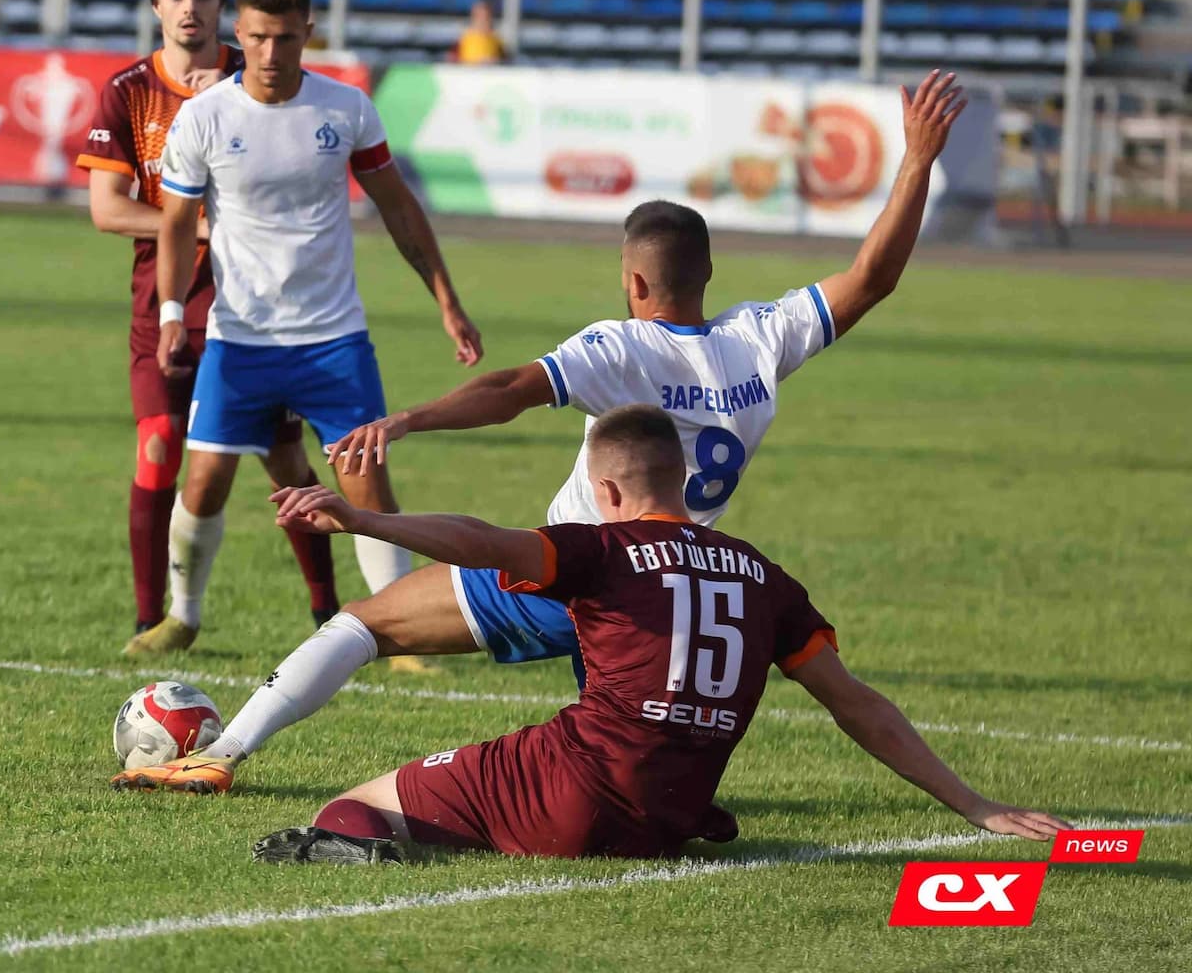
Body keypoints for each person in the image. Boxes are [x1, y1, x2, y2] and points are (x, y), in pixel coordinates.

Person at [114, 69, 967, 792]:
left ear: (633, 279)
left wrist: (408, 419)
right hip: (668, 594)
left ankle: (222, 752)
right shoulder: (762, 338)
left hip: (578, 570)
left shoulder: (620, 347)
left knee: (363, 625)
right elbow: (873, 275)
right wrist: (917, 159)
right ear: (708, 271)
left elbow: (512, 387)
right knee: (621, 741)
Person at [246, 406, 1072, 863]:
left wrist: (360, 517)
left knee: (351, 806)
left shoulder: (599, 549)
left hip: (568, 793)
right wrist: (976, 804)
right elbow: (858, 705)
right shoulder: (764, 575)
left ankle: (368, 853)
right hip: (668, 821)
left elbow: (479, 540)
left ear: (604, 488)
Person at [126, 0, 483, 658]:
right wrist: (173, 310)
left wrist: (447, 301)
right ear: (239, 33)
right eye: (257, 37)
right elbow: (174, 224)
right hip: (240, 338)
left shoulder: (344, 110)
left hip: (333, 339)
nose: (269, 53)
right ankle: (184, 615)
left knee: (367, 487)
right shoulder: (204, 117)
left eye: (284, 37)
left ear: (306, 34)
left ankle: (400, 634)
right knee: (203, 480)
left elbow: (399, 209)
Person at [77, 0, 344, 650]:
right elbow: (107, 208)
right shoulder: (129, 91)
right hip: (163, 302)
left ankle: (327, 609)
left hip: (258, 306)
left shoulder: (254, 78)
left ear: (222, 4)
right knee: (160, 445)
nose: (189, 7)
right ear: (156, 6)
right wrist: (193, 223)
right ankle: (151, 616)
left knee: (284, 460)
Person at [451, 0, 505, 65]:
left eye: (486, 17)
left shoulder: (496, 39)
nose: (483, 20)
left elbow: (504, 59)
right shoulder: (465, 38)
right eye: (480, 16)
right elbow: (454, 59)